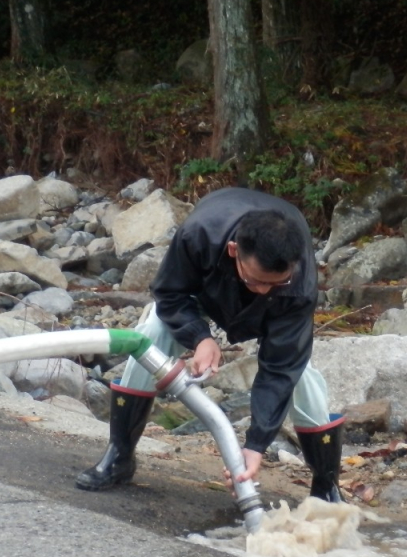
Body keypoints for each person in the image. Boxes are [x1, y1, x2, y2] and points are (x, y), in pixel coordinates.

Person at [75, 186, 344, 502]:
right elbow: (169, 293)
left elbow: (280, 368)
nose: (262, 291)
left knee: (302, 375)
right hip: (208, 291)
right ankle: (119, 455)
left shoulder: (296, 285)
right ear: (234, 250)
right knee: (153, 333)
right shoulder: (198, 235)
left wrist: (256, 445)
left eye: (274, 282)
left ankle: (326, 485)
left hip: (277, 307)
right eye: (255, 280)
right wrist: (200, 338)